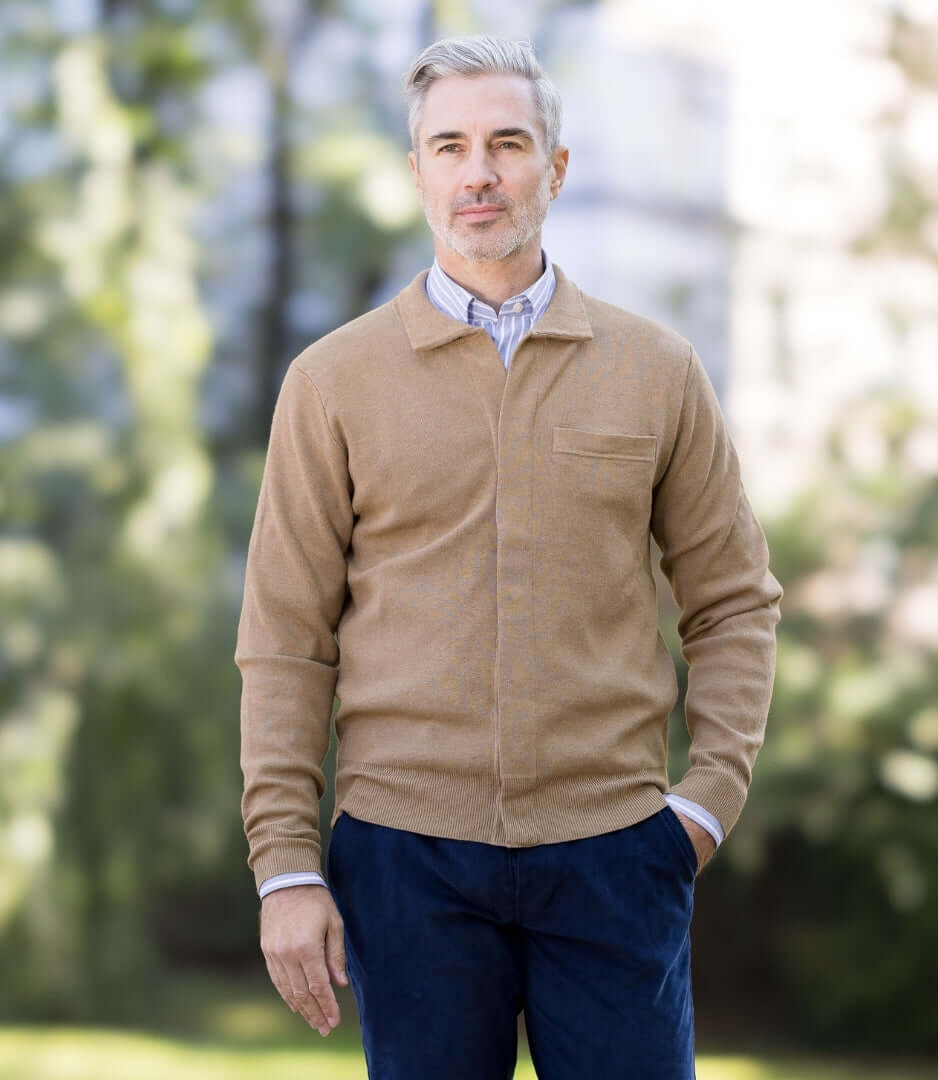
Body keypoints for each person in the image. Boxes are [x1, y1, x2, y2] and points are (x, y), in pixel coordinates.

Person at [235, 33, 782, 1080]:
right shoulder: (332, 381)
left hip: (618, 851)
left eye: (507, 143)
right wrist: (285, 867)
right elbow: (284, 641)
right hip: (406, 857)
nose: (478, 173)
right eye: (449, 146)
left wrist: (704, 804)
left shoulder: (656, 371)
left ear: (557, 167)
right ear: (417, 173)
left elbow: (732, 604)